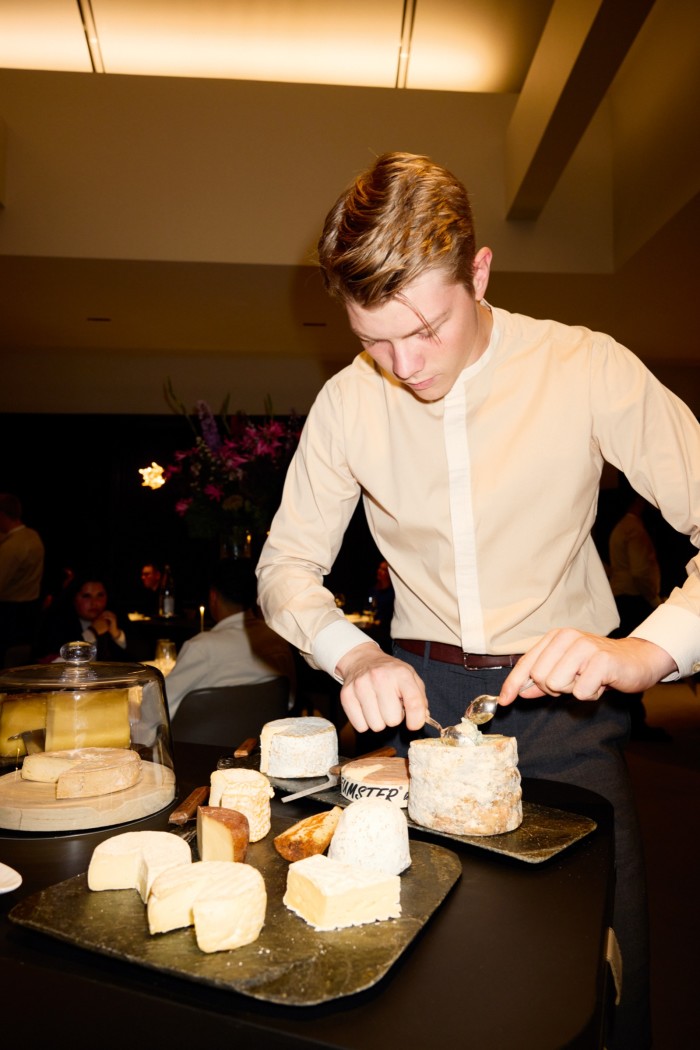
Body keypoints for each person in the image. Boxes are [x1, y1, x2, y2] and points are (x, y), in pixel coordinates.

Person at [256, 152, 700, 1050]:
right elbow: (284, 569)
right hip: (415, 712)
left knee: (591, 969)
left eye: (426, 329)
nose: (405, 364)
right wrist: (352, 651)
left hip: (569, 713)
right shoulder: (348, 402)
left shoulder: (585, 365)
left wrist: (646, 651)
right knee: (414, 970)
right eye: (375, 339)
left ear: (481, 272)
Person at [165, 558, 296, 720]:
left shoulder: (203, 647)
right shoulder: (277, 639)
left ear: (213, 596)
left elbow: (159, 708)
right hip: (260, 741)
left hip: (199, 744)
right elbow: (289, 701)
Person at [608, 480, 671, 741]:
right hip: (634, 600)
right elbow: (641, 571)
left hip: (620, 599)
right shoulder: (634, 529)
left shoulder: (620, 527)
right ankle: (636, 724)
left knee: (624, 661)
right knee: (635, 664)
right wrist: (653, 599)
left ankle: (631, 722)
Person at [34, 570, 132, 662]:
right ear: (74, 598)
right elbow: (51, 662)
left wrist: (117, 635)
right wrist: (92, 633)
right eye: (86, 596)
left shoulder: (114, 619)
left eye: (100, 595)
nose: (94, 603)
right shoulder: (57, 622)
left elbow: (138, 659)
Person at [0, 492, 45, 664]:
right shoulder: (32, 535)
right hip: (30, 610)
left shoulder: (12, 546)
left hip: (10, 615)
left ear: (2, 515)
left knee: (9, 664)